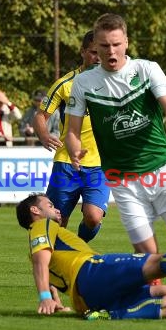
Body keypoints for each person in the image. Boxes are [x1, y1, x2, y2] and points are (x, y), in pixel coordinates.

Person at [65, 13, 166, 319]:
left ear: (126, 42)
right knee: (147, 255)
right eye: (104, 45)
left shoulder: (147, 70)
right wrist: (75, 149)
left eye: (116, 44)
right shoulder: (84, 83)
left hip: (163, 170)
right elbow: (72, 132)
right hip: (123, 179)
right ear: (95, 47)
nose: (111, 51)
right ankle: (156, 302)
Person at [16, 193, 166, 320]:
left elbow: (47, 266)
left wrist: (55, 303)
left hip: (88, 300)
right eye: (49, 205)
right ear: (35, 212)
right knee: (156, 260)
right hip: (91, 271)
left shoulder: (42, 243)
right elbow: (41, 261)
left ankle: (109, 315)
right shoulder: (40, 226)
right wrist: (44, 296)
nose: (56, 209)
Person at [33, 30, 109, 243]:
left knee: (93, 217)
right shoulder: (65, 83)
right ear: (83, 52)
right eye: (94, 52)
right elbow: (40, 115)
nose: (98, 58)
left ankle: (78, 246)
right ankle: (56, 265)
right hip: (67, 163)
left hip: (99, 164)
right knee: (57, 220)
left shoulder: (113, 83)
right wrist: (44, 134)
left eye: (101, 52)